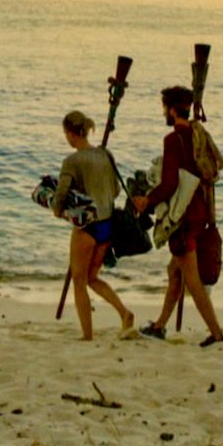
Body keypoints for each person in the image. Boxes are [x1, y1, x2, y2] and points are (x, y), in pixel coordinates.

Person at [132, 86, 223, 346]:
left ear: (173, 109)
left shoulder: (173, 140)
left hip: (183, 218)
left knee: (192, 280)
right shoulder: (199, 134)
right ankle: (160, 326)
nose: (164, 112)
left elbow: (170, 184)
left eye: (165, 107)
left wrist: (147, 200)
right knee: (174, 271)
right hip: (200, 211)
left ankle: (217, 334)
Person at [54, 110, 136, 341]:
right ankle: (125, 313)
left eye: (66, 134)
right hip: (107, 225)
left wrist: (57, 211)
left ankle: (87, 335)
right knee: (92, 278)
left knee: (79, 281)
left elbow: (61, 193)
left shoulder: (72, 161)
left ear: (70, 133)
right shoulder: (105, 155)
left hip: (87, 227)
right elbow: (116, 190)